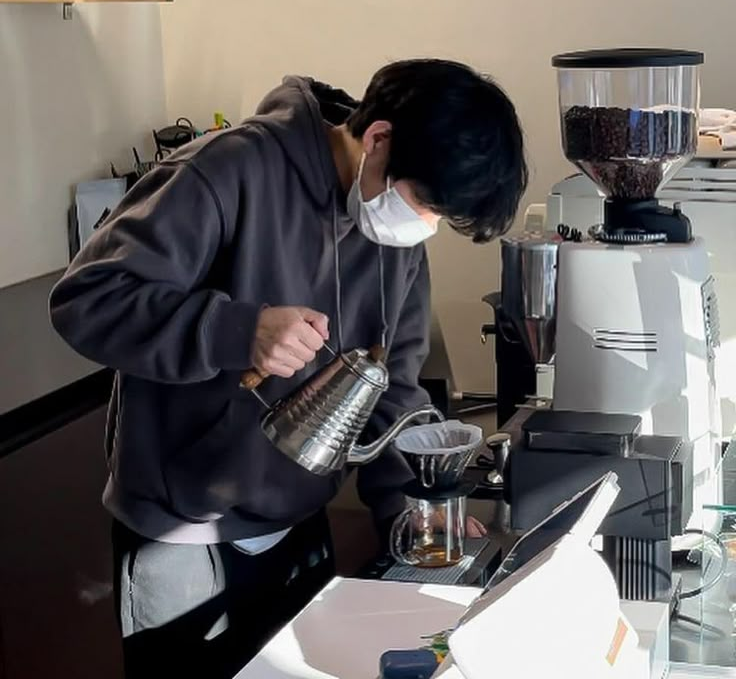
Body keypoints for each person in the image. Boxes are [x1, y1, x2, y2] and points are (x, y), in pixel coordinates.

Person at [49, 59, 527, 678]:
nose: (424, 225)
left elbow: (395, 392)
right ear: (378, 139)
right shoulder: (227, 170)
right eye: (425, 203)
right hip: (184, 532)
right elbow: (87, 300)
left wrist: (417, 519)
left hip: (299, 523)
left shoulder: (397, 236)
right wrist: (238, 331)